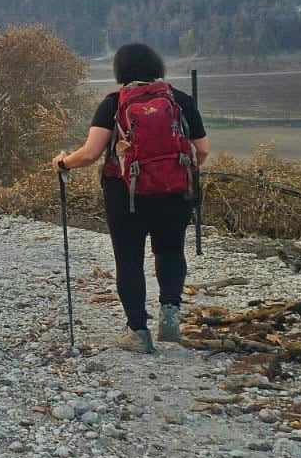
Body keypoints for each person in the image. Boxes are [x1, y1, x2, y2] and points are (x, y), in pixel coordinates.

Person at [52, 43, 209, 354]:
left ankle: (137, 331)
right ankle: (170, 312)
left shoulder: (113, 103)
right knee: (170, 249)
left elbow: (91, 153)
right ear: (157, 67)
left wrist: (62, 163)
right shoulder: (181, 100)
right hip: (176, 192)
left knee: (129, 259)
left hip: (126, 194)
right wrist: (176, 173)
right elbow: (202, 151)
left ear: (119, 71)